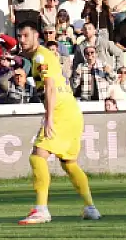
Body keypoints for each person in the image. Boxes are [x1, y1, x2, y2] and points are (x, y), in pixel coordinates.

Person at [15, 19, 101, 225]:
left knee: (38, 157)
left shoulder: (41, 56)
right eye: (19, 36)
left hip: (61, 111)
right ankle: (90, 208)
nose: (22, 39)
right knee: (69, 163)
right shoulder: (39, 56)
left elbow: (50, 87)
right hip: (72, 111)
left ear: (37, 35)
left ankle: (42, 209)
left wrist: (49, 118)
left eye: (26, 35)